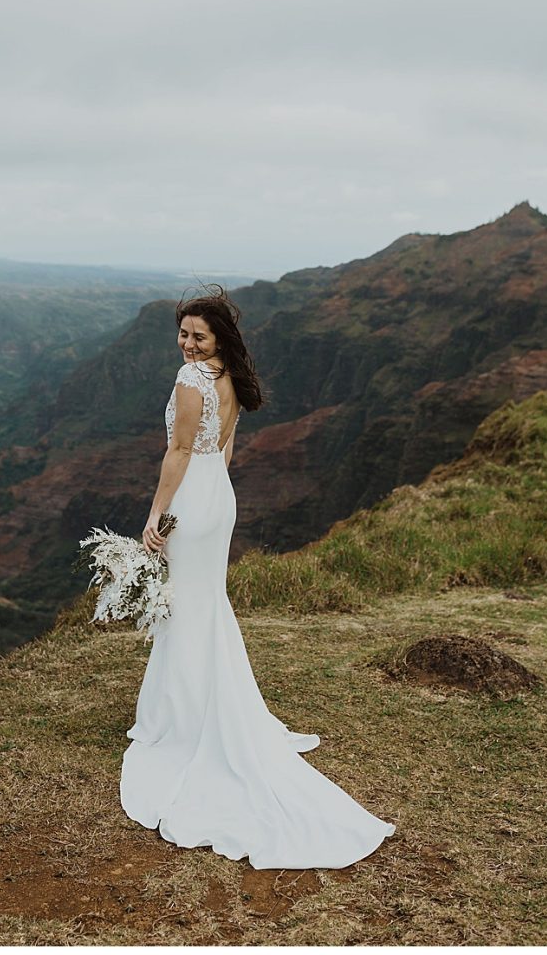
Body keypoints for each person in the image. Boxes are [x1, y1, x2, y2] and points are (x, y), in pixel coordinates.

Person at [119, 287, 393, 869]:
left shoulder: (189, 381)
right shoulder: (229, 378)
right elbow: (227, 446)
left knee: (189, 607)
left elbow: (178, 452)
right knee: (204, 604)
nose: (188, 343)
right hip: (220, 496)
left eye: (198, 335)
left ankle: (187, 721)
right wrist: (214, 493)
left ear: (219, 337)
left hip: (191, 499)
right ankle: (196, 707)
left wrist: (155, 516)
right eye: (183, 334)